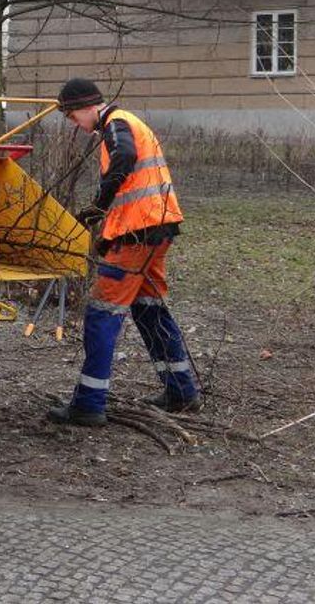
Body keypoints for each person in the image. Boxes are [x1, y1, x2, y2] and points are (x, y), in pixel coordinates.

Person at [48, 78, 202, 427]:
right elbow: (132, 188)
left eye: (72, 116)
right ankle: (181, 390)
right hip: (154, 231)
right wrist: (107, 234)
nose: (74, 123)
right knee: (150, 311)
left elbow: (125, 160)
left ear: (88, 106)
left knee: (102, 313)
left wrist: (98, 207)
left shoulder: (116, 125)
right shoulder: (127, 124)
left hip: (140, 234)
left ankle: (88, 404)